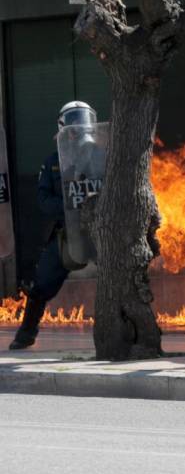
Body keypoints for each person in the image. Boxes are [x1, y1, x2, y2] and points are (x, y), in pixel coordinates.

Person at [9, 101, 97, 350]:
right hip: (67, 232)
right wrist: (69, 207)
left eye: (80, 123)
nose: (76, 130)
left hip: (102, 230)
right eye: (71, 125)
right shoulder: (52, 162)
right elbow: (43, 200)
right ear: (62, 128)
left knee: (121, 277)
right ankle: (26, 334)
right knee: (41, 284)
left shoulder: (100, 156)